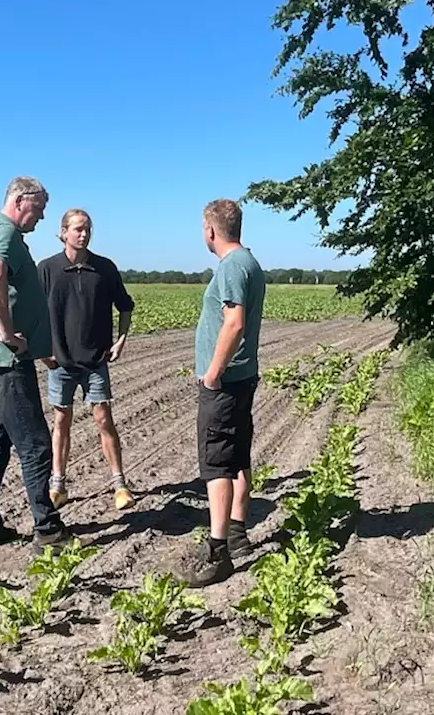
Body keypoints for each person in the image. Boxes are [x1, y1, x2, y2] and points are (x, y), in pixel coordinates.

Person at [0, 176, 73, 553]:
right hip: (5, 359)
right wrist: (9, 334)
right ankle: (47, 528)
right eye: (39, 209)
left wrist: (38, 347)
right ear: (19, 200)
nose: (41, 218)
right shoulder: (5, 233)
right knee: (35, 443)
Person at [179, 198, 266, 587]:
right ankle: (236, 534)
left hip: (226, 382)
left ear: (210, 230)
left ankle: (218, 553)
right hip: (242, 378)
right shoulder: (249, 262)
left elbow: (233, 323)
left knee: (216, 465)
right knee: (236, 458)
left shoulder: (231, 267)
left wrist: (212, 373)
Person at [37, 208, 137, 512]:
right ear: (63, 232)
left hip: (96, 362)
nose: (83, 234)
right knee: (61, 421)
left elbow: (125, 306)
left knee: (104, 419)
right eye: (78, 229)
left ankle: (120, 485)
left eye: (87, 229)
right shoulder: (47, 269)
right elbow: (31, 314)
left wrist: (120, 340)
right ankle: (59, 485)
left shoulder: (104, 268)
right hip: (61, 363)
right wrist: (42, 352)